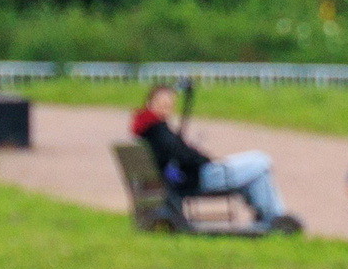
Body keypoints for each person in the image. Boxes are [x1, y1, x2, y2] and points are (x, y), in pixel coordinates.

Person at [128, 84, 300, 233]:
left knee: (258, 175)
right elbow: (183, 155)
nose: (167, 108)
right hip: (199, 178)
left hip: (192, 177)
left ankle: (272, 218)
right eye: (163, 104)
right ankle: (274, 218)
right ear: (150, 103)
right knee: (261, 160)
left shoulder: (149, 130)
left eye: (169, 105)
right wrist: (205, 160)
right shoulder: (158, 130)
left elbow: (177, 153)